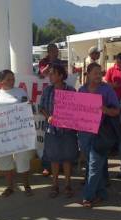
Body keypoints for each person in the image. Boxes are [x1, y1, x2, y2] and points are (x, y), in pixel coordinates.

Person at [0, 70, 34, 197]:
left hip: (19, 134)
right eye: (9, 79)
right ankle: (9, 186)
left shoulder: (20, 92)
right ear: (1, 81)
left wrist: (29, 106)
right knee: (5, 160)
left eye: (13, 78)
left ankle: (26, 185)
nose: (12, 81)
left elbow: (29, 110)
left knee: (22, 159)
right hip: (1, 135)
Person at [78, 62, 120, 208]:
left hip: (100, 134)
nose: (98, 75)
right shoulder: (81, 90)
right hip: (84, 133)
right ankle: (101, 193)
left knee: (94, 166)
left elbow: (116, 111)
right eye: (95, 72)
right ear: (88, 74)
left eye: (100, 72)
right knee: (93, 165)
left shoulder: (106, 90)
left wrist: (104, 110)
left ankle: (87, 197)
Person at [39, 64, 78, 199]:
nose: (50, 76)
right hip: (52, 130)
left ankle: (67, 185)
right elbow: (41, 107)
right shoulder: (47, 90)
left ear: (61, 75)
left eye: (53, 73)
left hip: (68, 130)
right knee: (54, 159)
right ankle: (54, 185)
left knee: (67, 158)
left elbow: (77, 110)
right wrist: (48, 116)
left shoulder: (71, 90)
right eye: (49, 73)